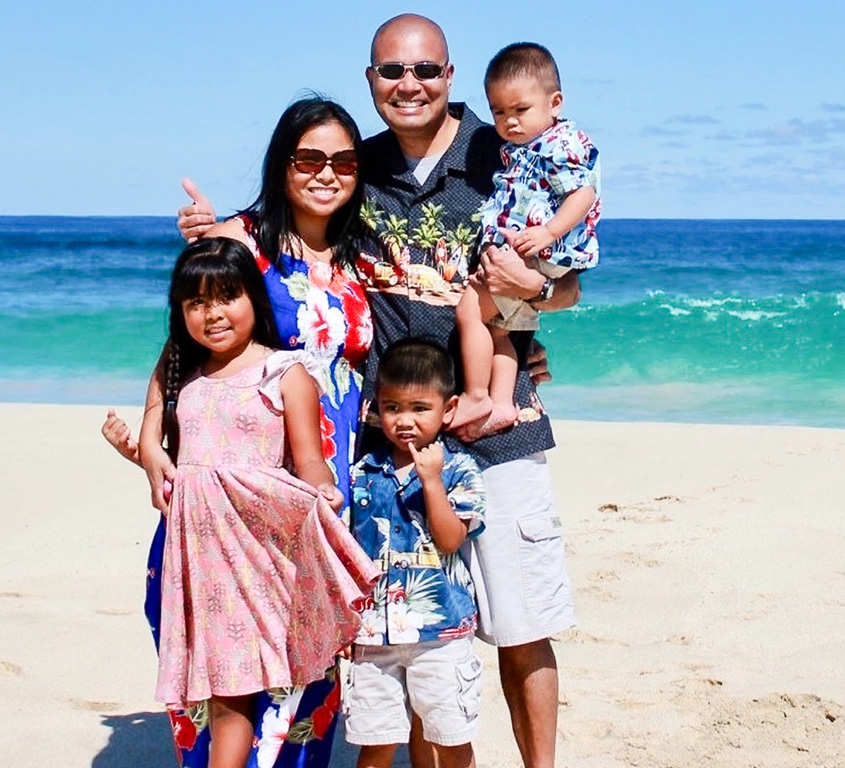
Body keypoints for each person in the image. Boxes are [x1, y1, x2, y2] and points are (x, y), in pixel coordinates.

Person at [179, 16, 583, 768]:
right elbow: (280, 229)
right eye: (392, 71)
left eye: (425, 70)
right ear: (371, 80)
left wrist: (539, 291)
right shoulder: (354, 168)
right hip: (387, 441)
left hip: (502, 425)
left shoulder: (504, 149)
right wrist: (210, 235)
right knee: (414, 631)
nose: (410, 85)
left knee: (521, 626)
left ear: (451, 75)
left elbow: (568, 283)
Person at [104, 97, 375, 768]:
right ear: (282, 163)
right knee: (216, 658)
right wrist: (147, 443)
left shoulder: (365, 250)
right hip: (232, 496)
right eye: (309, 157)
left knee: (303, 661)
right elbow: (180, 349)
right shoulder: (240, 241)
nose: (326, 173)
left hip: (319, 486)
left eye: (343, 160)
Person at [149, 236, 379, 768]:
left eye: (227, 296)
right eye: (196, 304)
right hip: (203, 568)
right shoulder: (189, 380)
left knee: (278, 684)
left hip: (263, 558)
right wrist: (139, 445)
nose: (212, 314)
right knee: (223, 691)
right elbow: (195, 472)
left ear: (254, 297)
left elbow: (309, 462)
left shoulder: (284, 372)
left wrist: (325, 493)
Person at [345, 339, 486, 768]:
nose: (404, 421)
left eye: (419, 408)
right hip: (374, 635)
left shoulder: (460, 469)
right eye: (392, 407)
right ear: (375, 408)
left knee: (451, 738)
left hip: (440, 633)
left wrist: (432, 482)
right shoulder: (362, 472)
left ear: (448, 408)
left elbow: (450, 541)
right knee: (376, 743)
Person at [452, 42, 600, 435]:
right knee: (500, 327)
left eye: (520, 110)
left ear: (555, 103)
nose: (509, 122)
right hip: (533, 251)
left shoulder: (558, 144)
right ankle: (501, 403)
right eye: (499, 112)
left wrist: (549, 232)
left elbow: (584, 193)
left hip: (538, 251)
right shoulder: (522, 148)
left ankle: (477, 395)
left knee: (470, 311)